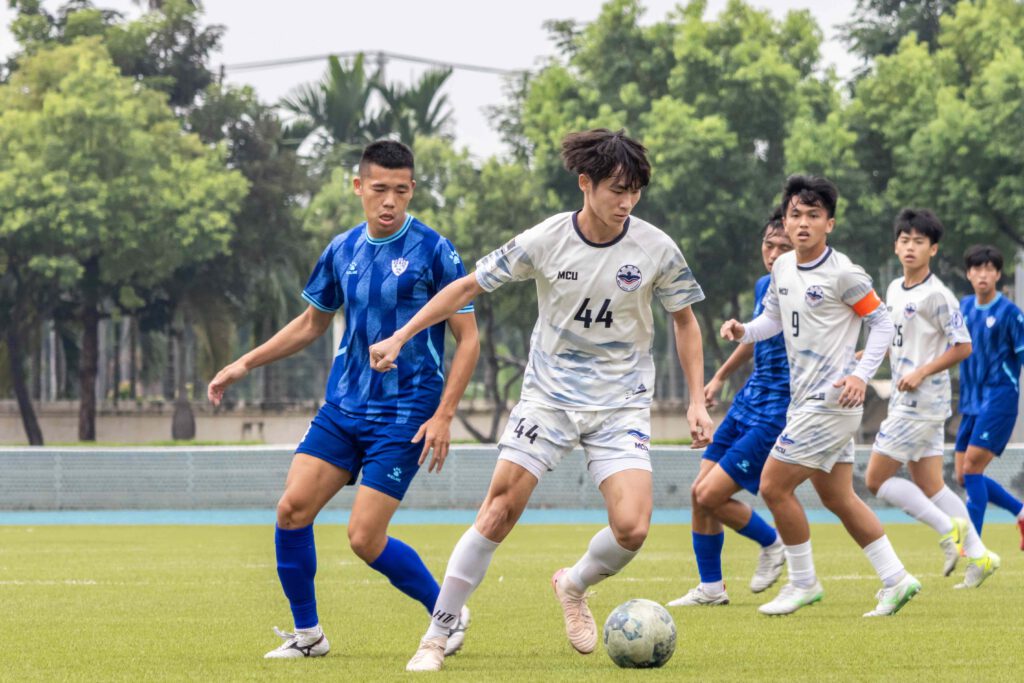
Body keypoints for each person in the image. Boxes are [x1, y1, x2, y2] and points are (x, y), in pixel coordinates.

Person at [368, 129, 712, 671]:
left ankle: (573, 584)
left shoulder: (656, 248)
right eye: (617, 189)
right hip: (548, 399)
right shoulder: (547, 239)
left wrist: (696, 400)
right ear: (585, 183)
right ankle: (435, 636)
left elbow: (685, 321)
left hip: (620, 404)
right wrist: (401, 335)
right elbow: (466, 287)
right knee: (498, 512)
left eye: (635, 191)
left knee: (633, 528)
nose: (627, 201)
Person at [207, 140, 480, 659]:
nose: (389, 201)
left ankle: (446, 613)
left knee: (364, 537)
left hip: (405, 413)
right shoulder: (341, 249)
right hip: (343, 407)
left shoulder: (434, 250)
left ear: (412, 190)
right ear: (358, 187)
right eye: (379, 189)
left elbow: (469, 340)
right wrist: (245, 363)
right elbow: (312, 323)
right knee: (292, 510)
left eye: (400, 190)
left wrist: (445, 415)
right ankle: (308, 636)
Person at [721, 175, 921, 617]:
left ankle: (803, 582)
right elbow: (773, 321)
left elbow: (883, 324)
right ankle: (896, 578)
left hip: (831, 403)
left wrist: (861, 375)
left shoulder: (844, 273)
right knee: (838, 497)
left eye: (814, 215)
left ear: (829, 223)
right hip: (804, 401)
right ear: (786, 219)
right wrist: (742, 330)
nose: (803, 223)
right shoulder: (782, 267)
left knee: (773, 486)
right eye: (796, 214)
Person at [863, 209, 998, 588]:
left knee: (875, 479)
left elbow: (963, 346)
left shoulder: (939, 295)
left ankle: (947, 529)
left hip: (922, 402)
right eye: (904, 240)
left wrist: (922, 372)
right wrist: (864, 357)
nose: (910, 247)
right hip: (906, 400)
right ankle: (981, 556)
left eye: (919, 241)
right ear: (895, 245)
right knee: (932, 484)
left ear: (933, 249)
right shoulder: (893, 288)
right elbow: (895, 340)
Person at [668, 209, 791, 608]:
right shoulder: (764, 286)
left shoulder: (812, 291)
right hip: (747, 401)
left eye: (784, 247)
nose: (774, 254)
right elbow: (755, 338)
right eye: (769, 245)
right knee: (698, 494)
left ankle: (773, 543)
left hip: (778, 410)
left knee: (710, 494)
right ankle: (711, 588)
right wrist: (719, 376)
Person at [955, 244, 1024, 559]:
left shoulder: (1011, 314)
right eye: (977, 269)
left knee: (971, 467)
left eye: (989, 269)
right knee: (963, 475)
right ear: (968, 274)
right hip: (971, 400)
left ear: (997, 274)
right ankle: (1020, 512)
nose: (983, 274)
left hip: (1000, 398)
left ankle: (973, 549)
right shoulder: (962, 308)